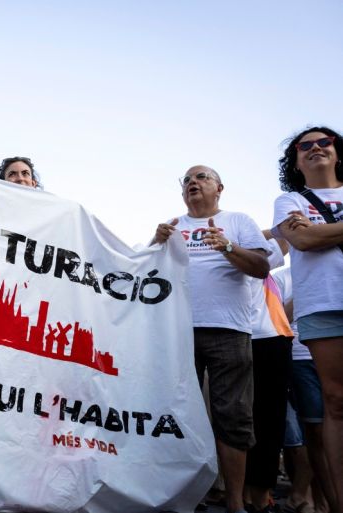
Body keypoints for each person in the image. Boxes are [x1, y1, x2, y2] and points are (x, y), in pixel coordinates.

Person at [152, 165, 270, 513]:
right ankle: (187, 497)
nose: (193, 182)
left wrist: (228, 247)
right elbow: (147, 273)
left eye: (201, 177)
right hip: (177, 332)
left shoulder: (238, 221)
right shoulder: (172, 227)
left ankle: (235, 502)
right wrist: (155, 244)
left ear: (220, 187)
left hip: (228, 330)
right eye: (187, 179)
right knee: (177, 414)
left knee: (232, 415)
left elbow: (262, 268)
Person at [272, 126, 343, 513]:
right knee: (336, 402)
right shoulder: (288, 201)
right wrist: (313, 234)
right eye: (305, 146)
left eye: (324, 142)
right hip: (324, 303)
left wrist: (319, 231)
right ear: (296, 161)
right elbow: (301, 241)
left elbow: (314, 236)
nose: (315, 148)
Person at [243, 232, 293, 513]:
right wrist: (273, 231)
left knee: (268, 422)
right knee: (257, 421)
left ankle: (258, 496)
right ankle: (252, 497)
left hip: (273, 338)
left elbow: (282, 238)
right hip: (255, 339)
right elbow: (284, 236)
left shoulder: (259, 260)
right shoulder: (251, 258)